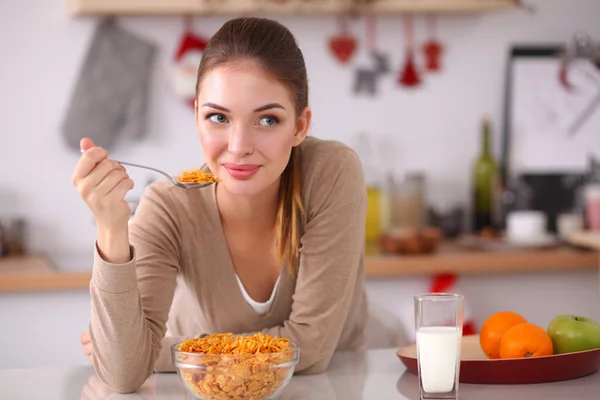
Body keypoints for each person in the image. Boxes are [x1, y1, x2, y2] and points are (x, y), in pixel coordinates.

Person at [72, 16, 368, 394]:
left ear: (299, 126)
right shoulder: (168, 206)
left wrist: (169, 354)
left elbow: (309, 349)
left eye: (267, 119)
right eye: (218, 117)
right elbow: (123, 374)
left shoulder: (330, 172)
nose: (239, 145)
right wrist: (112, 227)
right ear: (197, 116)